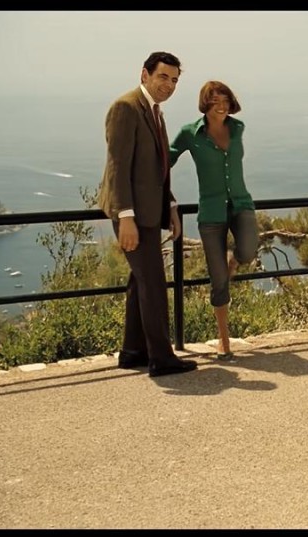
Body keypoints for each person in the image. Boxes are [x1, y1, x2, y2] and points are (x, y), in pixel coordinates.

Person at [97, 51, 198, 378]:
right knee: (153, 282)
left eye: (174, 80)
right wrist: (125, 217)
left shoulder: (154, 112)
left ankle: (133, 352)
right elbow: (118, 166)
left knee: (140, 281)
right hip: (133, 215)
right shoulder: (126, 108)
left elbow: (155, 170)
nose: (168, 85)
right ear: (145, 75)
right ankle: (161, 358)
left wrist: (171, 205)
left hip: (150, 211)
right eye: (163, 77)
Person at [169, 81, 258, 361]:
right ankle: (223, 339)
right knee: (219, 281)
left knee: (248, 251)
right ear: (205, 104)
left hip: (241, 204)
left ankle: (233, 261)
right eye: (215, 101)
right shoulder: (190, 133)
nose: (221, 106)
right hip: (211, 211)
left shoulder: (237, 128)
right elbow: (165, 160)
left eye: (225, 100)